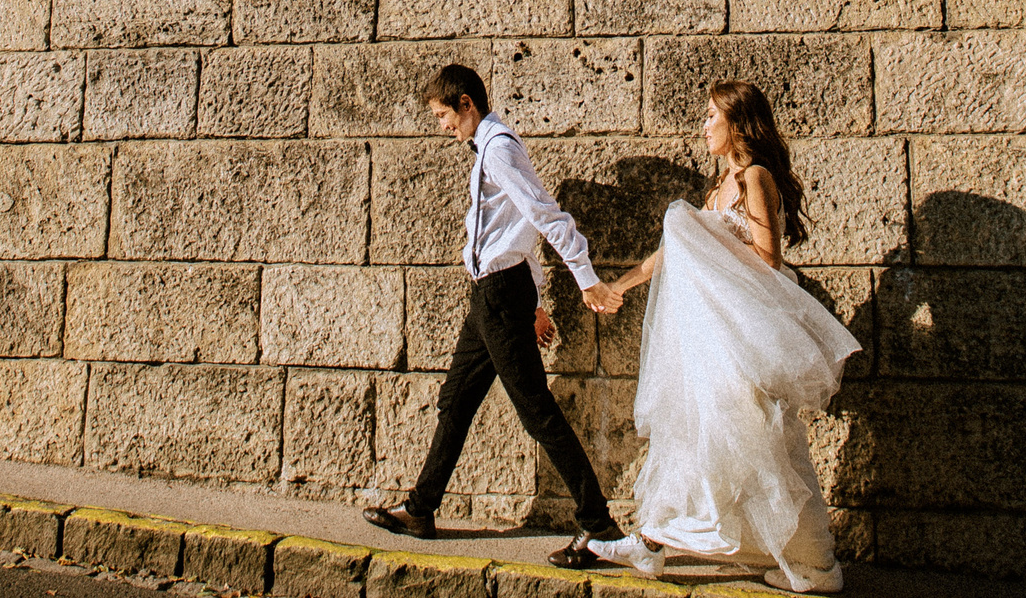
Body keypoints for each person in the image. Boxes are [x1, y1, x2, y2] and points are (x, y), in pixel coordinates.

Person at [585, 81, 861, 594]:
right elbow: (674, 252)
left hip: (747, 333)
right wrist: (618, 284)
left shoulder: (756, 177)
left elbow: (768, 258)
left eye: (712, 115)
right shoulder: (717, 188)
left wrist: (701, 235)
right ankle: (654, 543)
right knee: (702, 432)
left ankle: (816, 564)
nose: (704, 125)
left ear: (736, 123)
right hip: (715, 335)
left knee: (763, 444)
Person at [362, 63, 629, 569]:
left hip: (500, 296)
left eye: (444, 114)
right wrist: (534, 301)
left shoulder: (500, 148)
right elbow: (518, 237)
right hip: (492, 296)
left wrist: (585, 277)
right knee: (456, 400)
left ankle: (600, 527)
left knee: (537, 412)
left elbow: (546, 216)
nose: (442, 125)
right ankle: (421, 509)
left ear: (467, 103)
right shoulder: (487, 149)